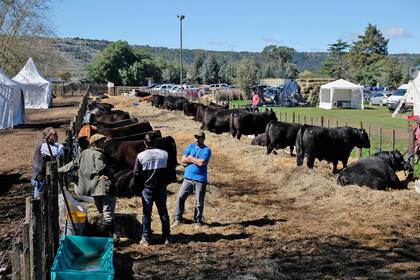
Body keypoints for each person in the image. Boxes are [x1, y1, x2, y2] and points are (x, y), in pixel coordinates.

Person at [58, 133, 118, 241]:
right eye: (101, 142)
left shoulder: (84, 153)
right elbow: (101, 167)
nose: (104, 144)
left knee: (103, 214)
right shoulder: (98, 155)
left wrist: (59, 170)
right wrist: (111, 173)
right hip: (104, 188)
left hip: (94, 190)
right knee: (107, 216)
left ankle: (113, 236)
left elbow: (72, 164)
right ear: (95, 144)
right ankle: (101, 238)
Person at [133, 134, 172, 246]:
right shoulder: (164, 154)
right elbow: (170, 170)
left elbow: (136, 173)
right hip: (161, 187)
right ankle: (167, 237)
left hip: (147, 188)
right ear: (155, 142)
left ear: (145, 143)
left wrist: (139, 185)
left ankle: (146, 238)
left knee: (146, 214)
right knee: (163, 212)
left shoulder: (141, 156)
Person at [174, 130, 211, 227]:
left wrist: (190, 158)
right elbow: (183, 159)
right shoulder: (190, 147)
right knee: (180, 197)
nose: (197, 139)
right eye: (195, 137)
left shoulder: (206, 150)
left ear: (203, 138)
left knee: (199, 201)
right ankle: (178, 219)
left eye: (199, 137)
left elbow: (202, 163)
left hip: (200, 179)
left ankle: (198, 220)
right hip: (187, 178)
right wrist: (194, 160)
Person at [31, 127, 65, 199]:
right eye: (55, 134)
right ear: (49, 136)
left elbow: (60, 150)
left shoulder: (50, 143)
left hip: (43, 176)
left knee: (44, 199)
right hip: (39, 177)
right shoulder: (44, 145)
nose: (57, 136)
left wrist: (60, 147)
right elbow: (57, 152)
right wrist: (61, 147)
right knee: (39, 199)